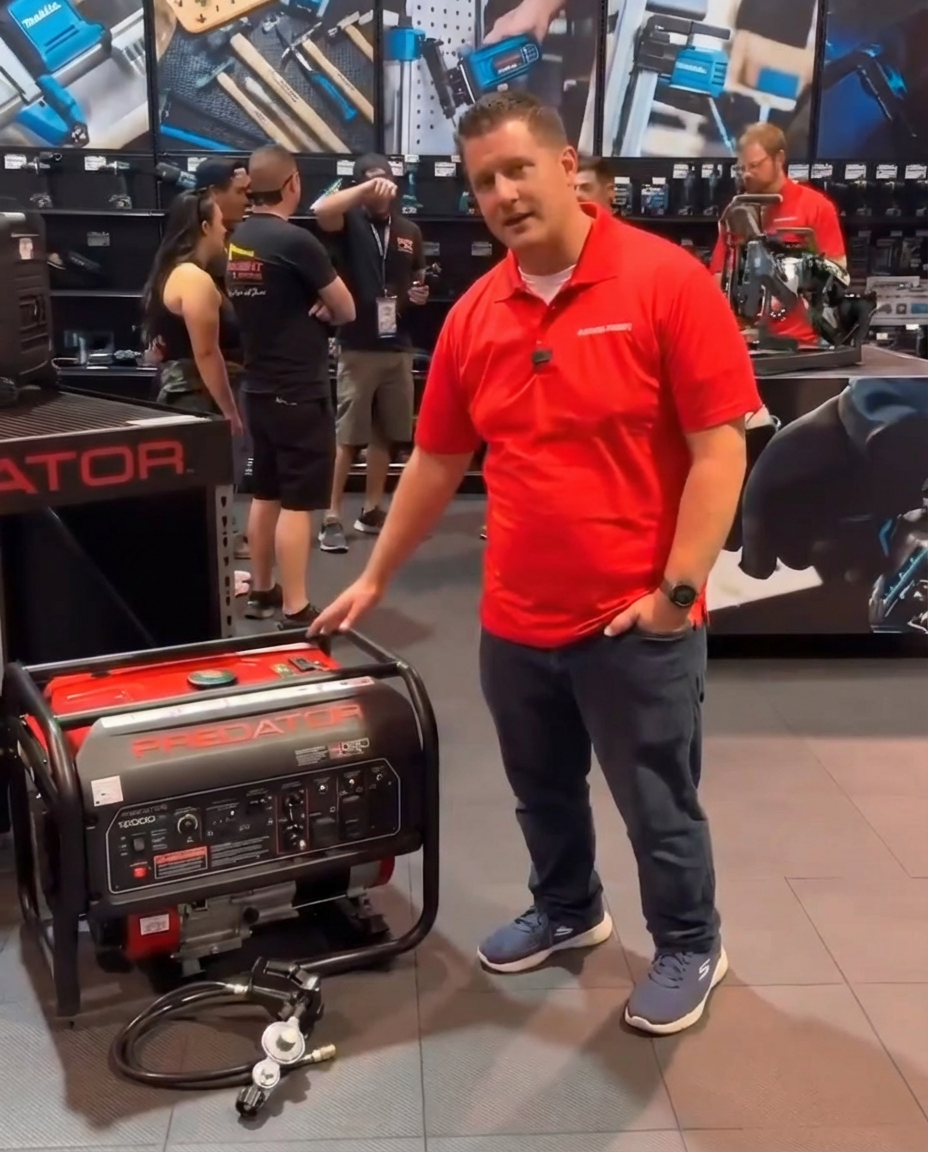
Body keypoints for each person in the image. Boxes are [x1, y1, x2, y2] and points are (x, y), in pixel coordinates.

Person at [311, 92, 763, 1037]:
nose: (505, 194)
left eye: (519, 169)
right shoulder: (478, 315)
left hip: (633, 618)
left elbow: (719, 449)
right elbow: (437, 460)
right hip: (516, 619)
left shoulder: (667, 282)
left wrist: (676, 595)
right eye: (485, 182)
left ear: (566, 168)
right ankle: (567, 909)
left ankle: (691, 942)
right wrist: (377, 574)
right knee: (542, 791)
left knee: (657, 803)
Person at [226, 145, 356, 624]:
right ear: (292, 183)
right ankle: (295, 605)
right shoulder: (296, 242)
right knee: (298, 504)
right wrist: (323, 305)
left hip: (257, 387)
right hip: (297, 389)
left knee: (266, 493)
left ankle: (262, 593)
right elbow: (347, 309)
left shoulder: (240, 238)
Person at [312, 154, 429, 553]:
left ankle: (371, 510)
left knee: (386, 432)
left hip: (397, 344)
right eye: (372, 182)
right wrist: (365, 191)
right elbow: (321, 209)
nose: (382, 190)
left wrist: (418, 293)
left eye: (386, 181)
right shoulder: (347, 222)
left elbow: (416, 276)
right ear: (360, 185)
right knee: (348, 437)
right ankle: (331, 516)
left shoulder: (409, 230)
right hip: (357, 344)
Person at [709, 122, 846, 347]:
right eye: (742, 168)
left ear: (779, 158)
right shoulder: (735, 212)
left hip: (799, 345)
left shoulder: (815, 207)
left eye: (754, 165)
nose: (747, 174)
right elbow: (717, 276)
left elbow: (838, 274)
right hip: (741, 342)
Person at [141, 189, 242, 429]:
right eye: (220, 223)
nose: (225, 230)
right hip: (196, 401)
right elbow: (206, 353)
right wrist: (230, 413)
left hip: (194, 397)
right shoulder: (193, 278)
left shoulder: (173, 271)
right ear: (205, 227)